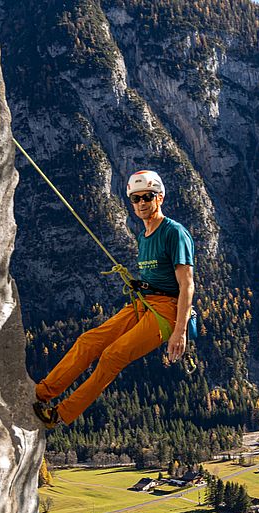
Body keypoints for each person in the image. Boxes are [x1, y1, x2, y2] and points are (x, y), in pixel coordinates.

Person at [32, 170, 195, 429]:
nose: (142, 203)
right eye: (136, 198)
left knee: (112, 356)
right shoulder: (144, 236)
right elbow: (159, 275)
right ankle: (42, 392)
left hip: (167, 311)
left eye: (148, 197)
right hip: (144, 302)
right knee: (88, 342)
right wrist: (142, 284)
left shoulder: (174, 233)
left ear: (160, 198)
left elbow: (187, 284)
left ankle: (60, 414)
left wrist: (180, 331)